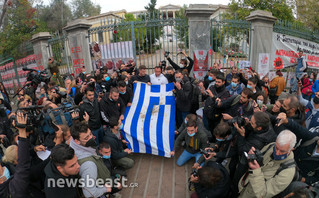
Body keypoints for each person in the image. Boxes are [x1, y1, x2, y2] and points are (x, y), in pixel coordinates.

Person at [238, 130, 297, 198]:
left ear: (291, 149)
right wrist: (253, 157)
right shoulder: (271, 146)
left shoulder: (288, 172)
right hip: (243, 186)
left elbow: (263, 194)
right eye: (276, 148)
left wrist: (256, 170)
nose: (277, 153)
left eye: (282, 151)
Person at [69, 121, 113, 198]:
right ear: (77, 141)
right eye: (86, 138)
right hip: (100, 189)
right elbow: (89, 193)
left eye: (90, 134)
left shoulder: (73, 143)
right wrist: (105, 189)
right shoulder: (88, 165)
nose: (91, 138)